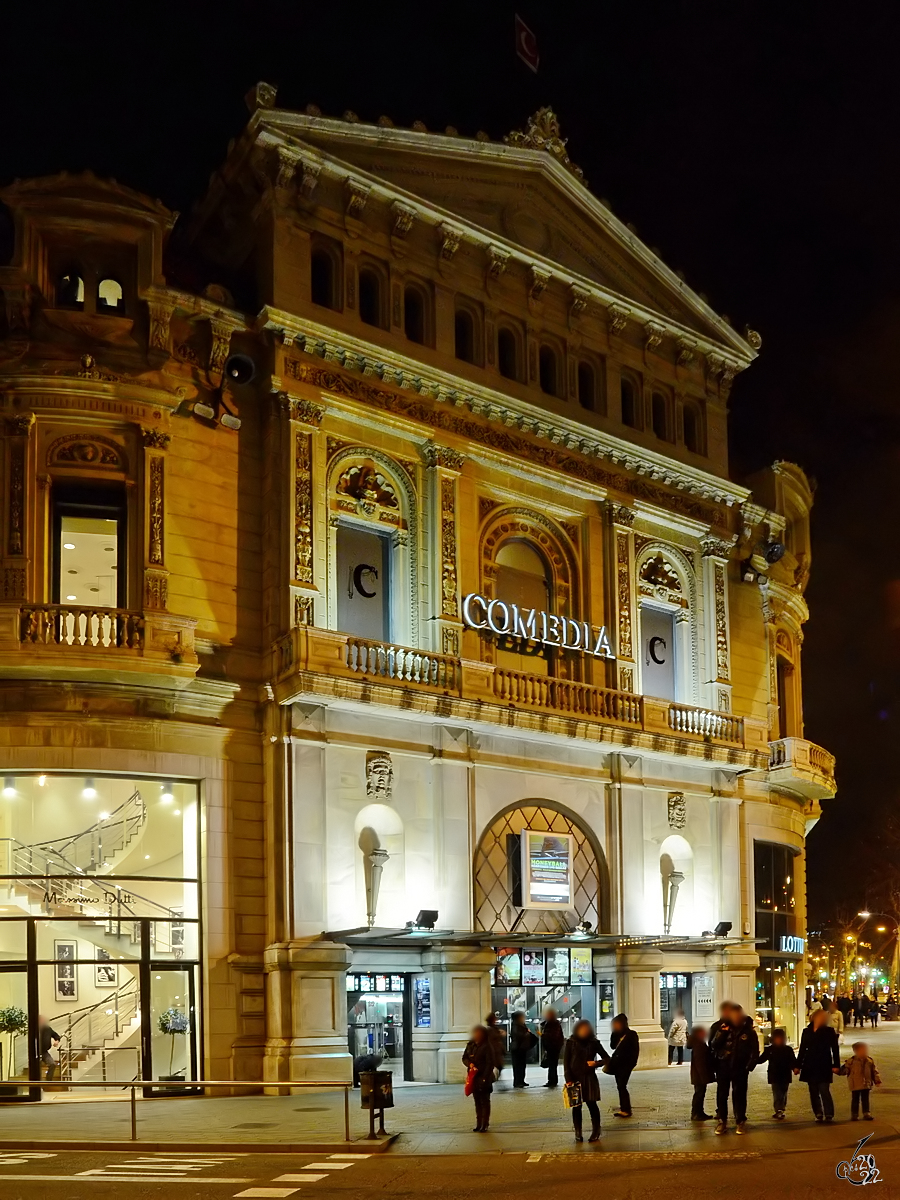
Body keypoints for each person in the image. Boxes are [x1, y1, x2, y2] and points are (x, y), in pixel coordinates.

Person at [709, 1002, 759, 1135]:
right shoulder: (721, 1027)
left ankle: (740, 1121)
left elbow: (755, 1050)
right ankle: (722, 1121)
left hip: (740, 1067)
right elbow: (713, 1045)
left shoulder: (748, 1031)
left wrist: (749, 1066)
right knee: (722, 1095)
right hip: (723, 1066)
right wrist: (721, 1033)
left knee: (740, 1095)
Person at [563, 1019, 606, 1142]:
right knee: (576, 1107)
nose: (584, 1031)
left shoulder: (594, 1042)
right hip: (575, 1079)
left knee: (592, 1104)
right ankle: (578, 1132)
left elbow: (607, 1058)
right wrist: (568, 1079)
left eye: (586, 1029)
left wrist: (596, 1063)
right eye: (582, 1029)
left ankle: (596, 1130)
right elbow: (566, 1062)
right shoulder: (571, 1042)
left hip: (589, 1078)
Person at [796, 1006, 841, 1122]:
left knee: (824, 1089)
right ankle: (818, 1113)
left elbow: (835, 1049)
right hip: (810, 1064)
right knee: (813, 1091)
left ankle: (829, 1113)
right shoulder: (807, 1031)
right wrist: (798, 1065)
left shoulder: (829, 1031)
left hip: (824, 1064)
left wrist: (836, 1065)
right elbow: (802, 1049)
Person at [758, 1028, 797, 1120]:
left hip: (785, 1074)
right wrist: (753, 1060)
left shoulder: (788, 1049)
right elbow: (761, 1059)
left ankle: (781, 1108)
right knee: (777, 1093)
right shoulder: (770, 1050)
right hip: (774, 1074)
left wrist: (795, 1068)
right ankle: (779, 1109)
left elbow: (792, 1061)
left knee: (783, 1092)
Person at [606, 1013, 640, 1117]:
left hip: (626, 1065)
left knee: (622, 1086)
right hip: (617, 1064)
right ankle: (624, 1108)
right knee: (620, 1086)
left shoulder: (631, 1034)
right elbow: (612, 1046)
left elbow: (635, 1051)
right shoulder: (616, 1034)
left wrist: (632, 1063)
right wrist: (614, 1033)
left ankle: (626, 1109)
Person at [462, 1025, 494, 1132]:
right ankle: (478, 1123)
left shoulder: (487, 1046)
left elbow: (490, 1063)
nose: (476, 1035)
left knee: (484, 1101)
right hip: (473, 1077)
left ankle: (484, 1124)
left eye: (478, 1033)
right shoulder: (471, 1045)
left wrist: (485, 1077)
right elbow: (464, 1057)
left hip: (484, 1077)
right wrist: (470, 1064)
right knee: (477, 1101)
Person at [843, 1040, 881, 1121]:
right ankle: (854, 1114)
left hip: (866, 1083)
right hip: (855, 1084)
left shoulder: (869, 1061)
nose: (864, 1051)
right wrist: (840, 1070)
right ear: (855, 1051)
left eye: (865, 1050)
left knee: (865, 1099)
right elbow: (845, 1069)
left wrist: (877, 1080)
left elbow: (874, 1071)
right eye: (862, 1050)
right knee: (855, 1100)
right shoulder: (851, 1061)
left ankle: (866, 1113)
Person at [687, 1024, 715, 1120]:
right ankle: (696, 1113)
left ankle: (699, 1112)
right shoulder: (699, 1044)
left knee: (699, 1094)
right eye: (703, 1031)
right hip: (699, 1075)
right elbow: (700, 1062)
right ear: (698, 1033)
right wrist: (704, 1076)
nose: (705, 1033)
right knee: (699, 1094)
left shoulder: (697, 1043)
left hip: (698, 1075)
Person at [539, 1007, 564, 1088]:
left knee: (552, 1065)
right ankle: (552, 1080)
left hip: (553, 1047)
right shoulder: (550, 1023)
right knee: (552, 1065)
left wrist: (542, 1034)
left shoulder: (553, 1024)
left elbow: (552, 1036)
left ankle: (552, 1081)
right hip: (552, 1047)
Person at [509, 1011, 535, 1089]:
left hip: (522, 1048)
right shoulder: (516, 1025)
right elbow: (518, 1035)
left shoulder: (520, 1025)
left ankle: (521, 1080)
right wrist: (527, 1033)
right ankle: (518, 1081)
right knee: (518, 1066)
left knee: (522, 1065)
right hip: (518, 1048)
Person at [38, 1015, 60, 1082]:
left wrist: (57, 1041)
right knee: (36, 1067)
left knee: (52, 1064)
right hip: (36, 1052)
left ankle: (48, 1081)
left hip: (44, 1052)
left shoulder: (47, 1029)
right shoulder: (34, 1029)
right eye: (41, 1020)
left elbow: (56, 1036)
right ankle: (37, 1083)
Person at [485, 1012, 505, 1081]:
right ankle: (493, 1077)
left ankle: (495, 1077)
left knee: (499, 1066)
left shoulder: (493, 1028)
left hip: (497, 1050)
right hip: (495, 1050)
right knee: (497, 1065)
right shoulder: (490, 1029)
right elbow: (493, 1038)